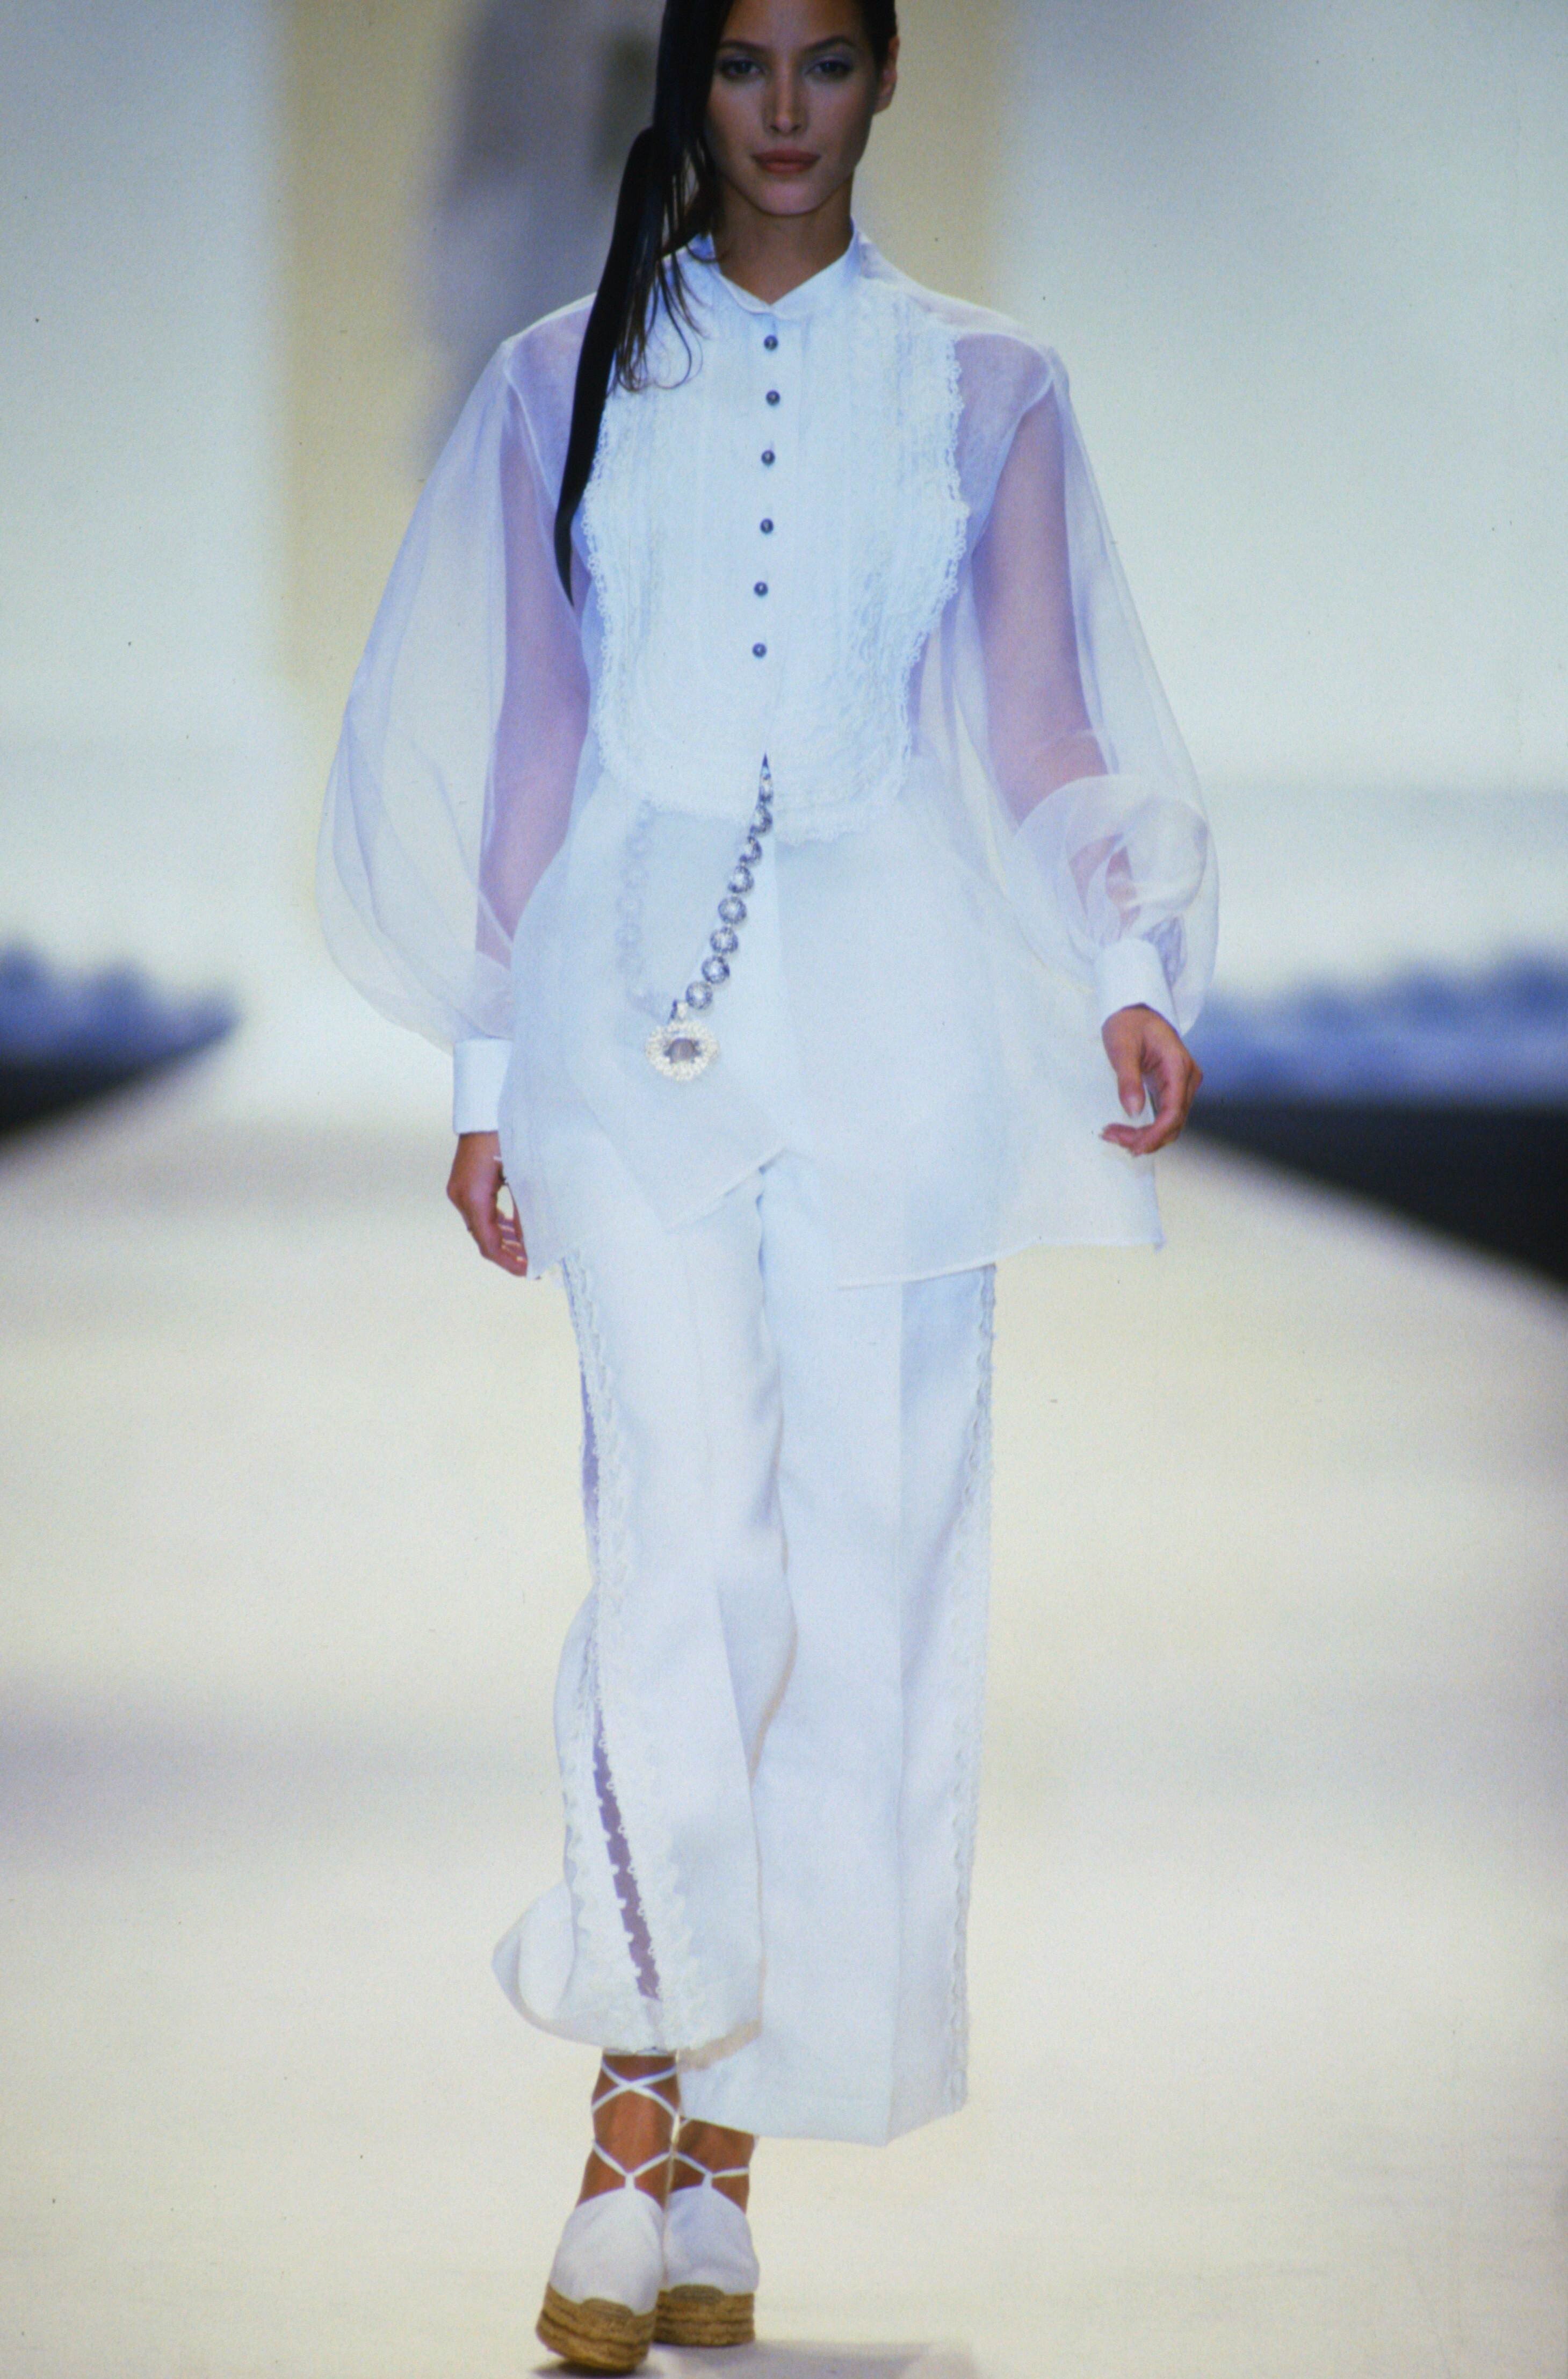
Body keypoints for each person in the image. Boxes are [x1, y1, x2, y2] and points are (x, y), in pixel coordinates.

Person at [318, 0, 1216, 2367]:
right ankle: (630, 2126)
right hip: (627, 1023)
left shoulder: (987, 386)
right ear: (689, 89)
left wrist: (1127, 959)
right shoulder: (560, 377)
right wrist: (486, 1072)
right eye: (744, 67)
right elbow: (527, 737)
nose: (787, 112)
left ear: (888, 80)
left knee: (854, 1570)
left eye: (828, 63)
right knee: (684, 1548)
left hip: (902, 1033)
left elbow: (1044, 710)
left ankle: (723, 2151)